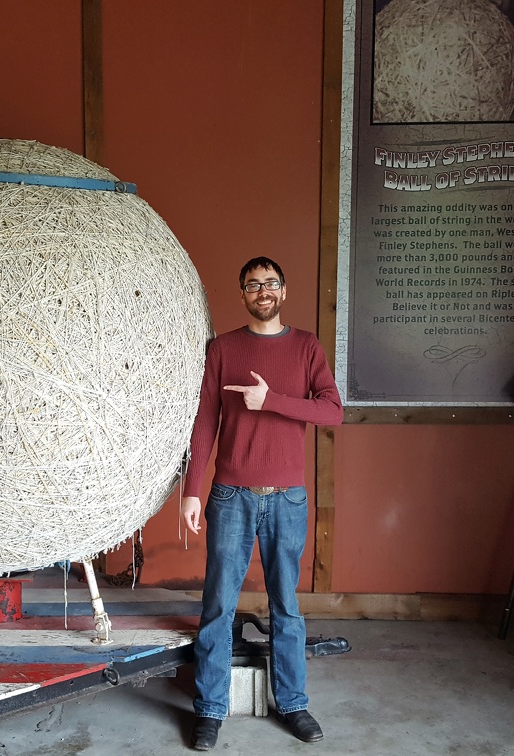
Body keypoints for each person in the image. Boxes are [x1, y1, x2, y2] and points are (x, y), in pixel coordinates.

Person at [180, 256, 343, 751]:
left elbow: (332, 411)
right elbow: (205, 422)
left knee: (286, 606)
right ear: (243, 294)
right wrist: (192, 488)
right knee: (218, 605)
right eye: (253, 285)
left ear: (284, 291)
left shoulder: (306, 346)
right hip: (231, 496)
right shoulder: (223, 348)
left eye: (270, 283)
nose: (263, 291)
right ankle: (210, 709)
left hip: (288, 498)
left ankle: (292, 702)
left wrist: (270, 399)